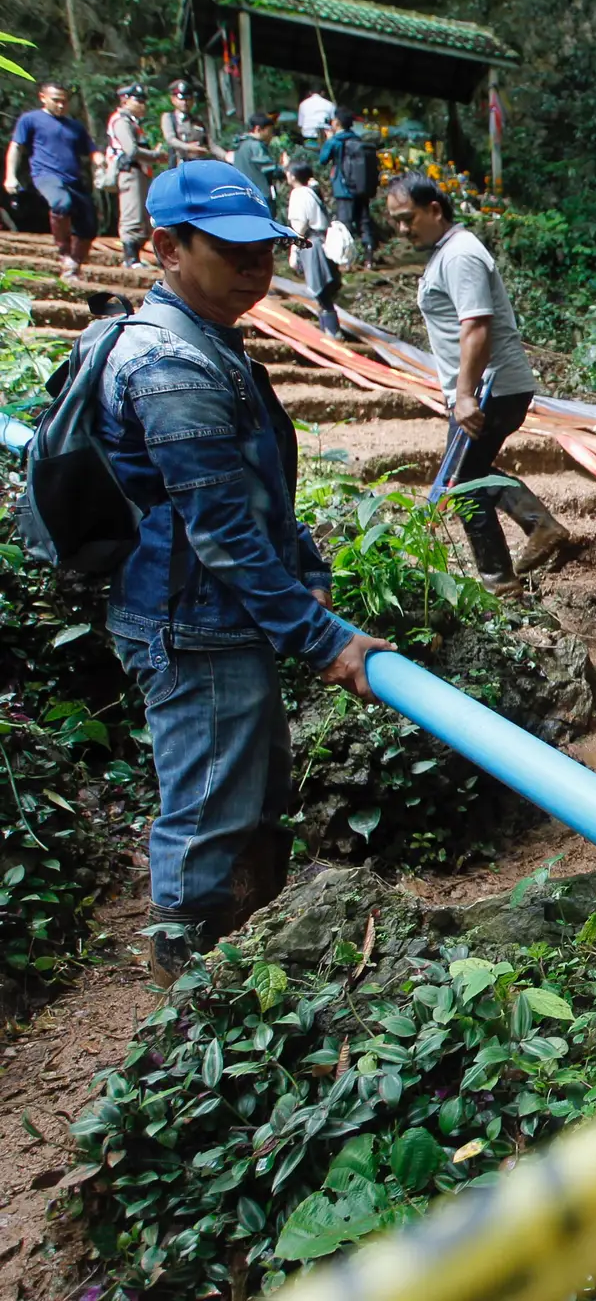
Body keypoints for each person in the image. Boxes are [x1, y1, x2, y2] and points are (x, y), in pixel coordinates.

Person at [95, 161, 390, 984]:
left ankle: (258, 971)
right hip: (191, 625)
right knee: (207, 818)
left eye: (265, 254)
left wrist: (305, 566)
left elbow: (253, 488)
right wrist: (321, 636)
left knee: (258, 803)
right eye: (235, 256)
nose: (259, 273)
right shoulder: (169, 366)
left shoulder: (211, 342)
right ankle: (189, 1008)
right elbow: (219, 530)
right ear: (166, 248)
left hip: (228, 616)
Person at [385, 172, 571, 593]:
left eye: (407, 217)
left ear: (435, 209)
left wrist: (465, 395)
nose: (401, 229)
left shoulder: (460, 254)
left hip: (490, 390)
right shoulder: (448, 253)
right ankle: (537, 529)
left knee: (464, 484)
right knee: (470, 474)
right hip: (485, 389)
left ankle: (501, 580)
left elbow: (477, 328)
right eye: (394, 221)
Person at [5, 80, 96, 280]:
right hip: (45, 174)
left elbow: (91, 150)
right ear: (43, 97)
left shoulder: (74, 126)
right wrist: (10, 175)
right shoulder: (31, 119)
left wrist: (101, 162)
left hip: (73, 179)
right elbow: (16, 148)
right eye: (56, 100)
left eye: (64, 101)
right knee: (60, 204)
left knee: (89, 225)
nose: (61, 105)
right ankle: (63, 254)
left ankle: (74, 266)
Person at [106, 83, 162, 269]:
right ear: (124, 100)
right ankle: (130, 259)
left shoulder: (132, 122)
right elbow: (131, 150)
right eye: (138, 101)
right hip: (129, 171)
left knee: (144, 216)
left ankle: (135, 257)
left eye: (144, 101)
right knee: (133, 214)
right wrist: (155, 156)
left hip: (141, 171)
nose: (142, 105)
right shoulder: (121, 121)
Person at [284, 161, 341, 336]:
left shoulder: (298, 194)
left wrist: (294, 249)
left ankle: (332, 331)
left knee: (320, 287)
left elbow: (300, 225)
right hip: (320, 241)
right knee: (322, 288)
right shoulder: (311, 191)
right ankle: (330, 329)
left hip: (311, 243)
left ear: (293, 176)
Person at [318, 112, 376, 261]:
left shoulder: (335, 141)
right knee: (364, 221)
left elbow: (323, 159)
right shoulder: (357, 139)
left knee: (345, 224)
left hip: (343, 189)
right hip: (362, 187)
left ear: (337, 123)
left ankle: (347, 260)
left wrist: (328, 139)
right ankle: (369, 255)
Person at [159, 80, 225, 167]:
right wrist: (188, 147)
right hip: (179, 166)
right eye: (181, 99)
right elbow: (170, 139)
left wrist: (225, 155)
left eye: (188, 99)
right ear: (173, 100)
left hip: (198, 165)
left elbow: (211, 144)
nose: (185, 102)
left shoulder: (198, 121)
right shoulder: (169, 118)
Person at [230, 112, 284, 211]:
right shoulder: (255, 146)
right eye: (270, 131)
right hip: (259, 195)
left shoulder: (240, 144)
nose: (271, 135)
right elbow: (269, 169)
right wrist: (285, 168)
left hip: (243, 194)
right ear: (258, 129)